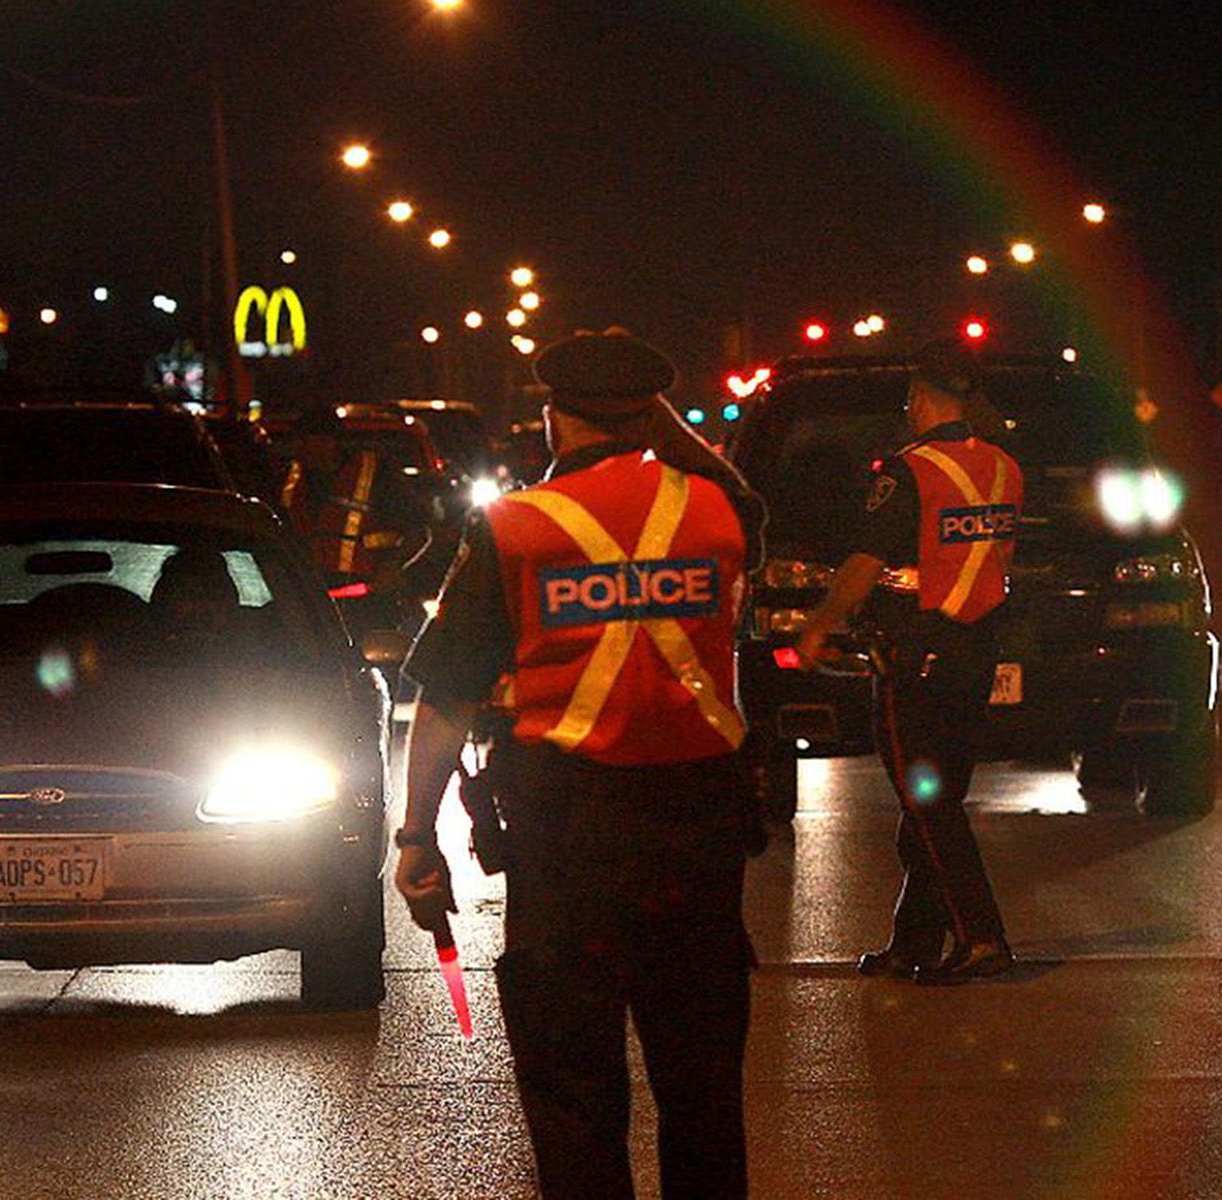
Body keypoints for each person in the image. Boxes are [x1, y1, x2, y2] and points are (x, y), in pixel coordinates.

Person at [394, 328, 765, 1199]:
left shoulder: (517, 525)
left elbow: (445, 698)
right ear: (651, 411)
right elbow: (743, 492)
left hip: (571, 845)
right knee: (703, 1092)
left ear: (556, 417)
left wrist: (417, 836)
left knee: (574, 1097)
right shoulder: (719, 510)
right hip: (699, 836)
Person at [792, 338, 1022, 986]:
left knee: (931, 809)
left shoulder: (908, 472)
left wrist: (819, 625)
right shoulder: (1004, 466)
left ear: (920, 399)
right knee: (933, 801)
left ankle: (982, 936)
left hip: (918, 658)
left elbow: (865, 564)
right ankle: (914, 941)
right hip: (978, 654)